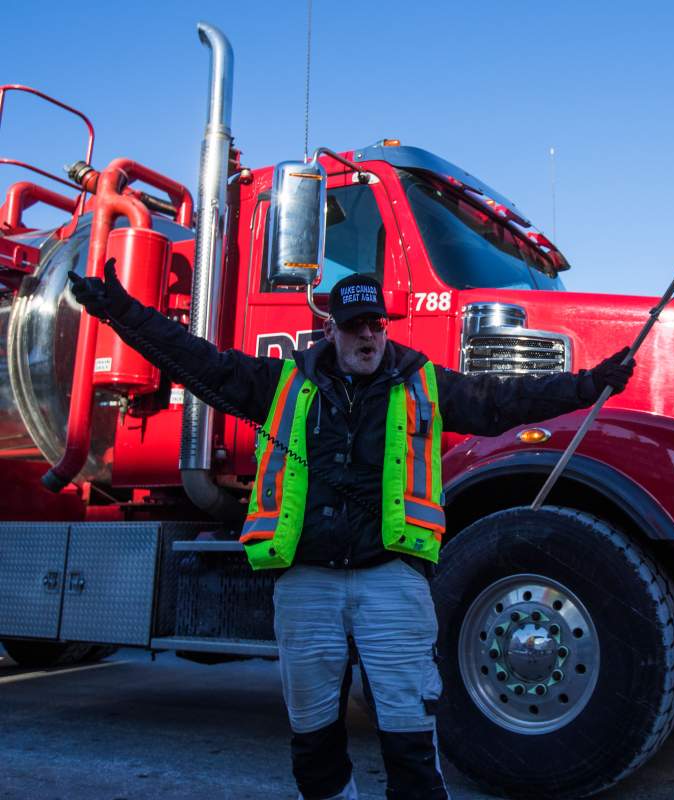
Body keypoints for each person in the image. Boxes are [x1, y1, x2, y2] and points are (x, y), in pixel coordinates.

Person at [68, 265, 635, 800]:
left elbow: (503, 401)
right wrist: (119, 310)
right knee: (312, 740)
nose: (367, 336)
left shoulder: (424, 384)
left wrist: (590, 384)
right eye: (355, 325)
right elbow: (198, 361)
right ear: (332, 330)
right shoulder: (281, 382)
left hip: (392, 583)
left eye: (375, 324)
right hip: (307, 585)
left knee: (410, 738)